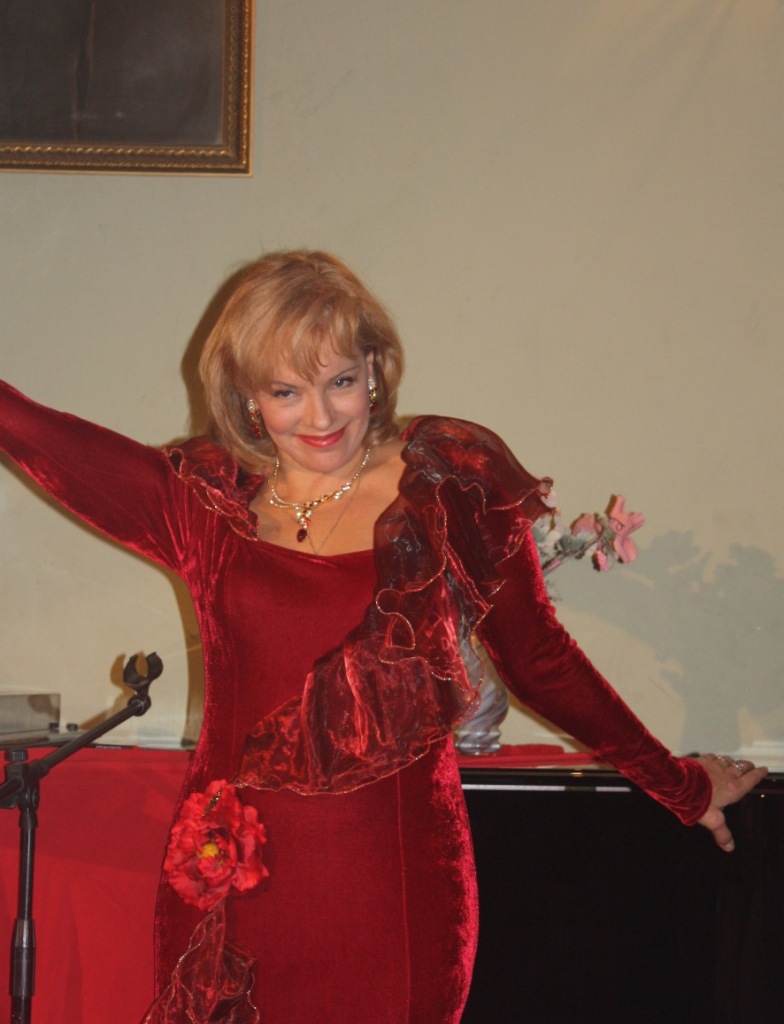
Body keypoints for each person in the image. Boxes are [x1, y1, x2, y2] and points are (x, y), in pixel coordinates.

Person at [0, 250, 766, 1023]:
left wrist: (680, 784)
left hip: (390, 895)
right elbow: (35, 433)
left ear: (374, 368)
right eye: (286, 391)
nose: (321, 417)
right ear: (247, 398)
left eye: (339, 381)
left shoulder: (446, 489)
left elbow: (539, 658)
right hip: (229, 890)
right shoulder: (204, 506)